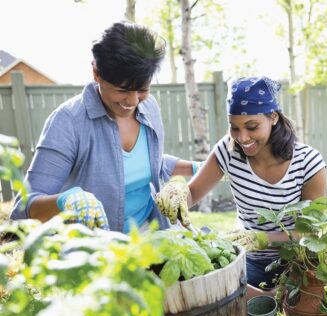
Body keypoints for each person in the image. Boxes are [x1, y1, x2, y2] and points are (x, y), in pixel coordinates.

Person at [156, 76, 327, 298]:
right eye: (234, 128)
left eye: (252, 127)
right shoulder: (228, 151)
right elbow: (192, 193)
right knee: (210, 269)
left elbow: (307, 233)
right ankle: (281, 297)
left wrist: (262, 237)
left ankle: (300, 295)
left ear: (273, 117)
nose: (242, 137)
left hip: (298, 258)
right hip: (250, 261)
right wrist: (178, 192)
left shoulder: (308, 162)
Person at [10, 21, 197, 233]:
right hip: (94, 250)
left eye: (143, 89)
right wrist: (64, 201)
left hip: (151, 232)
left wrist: (195, 168)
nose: (133, 101)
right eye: (122, 90)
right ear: (96, 72)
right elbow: (23, 209)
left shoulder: (149, 108)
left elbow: (148, 161)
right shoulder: (67, 122)